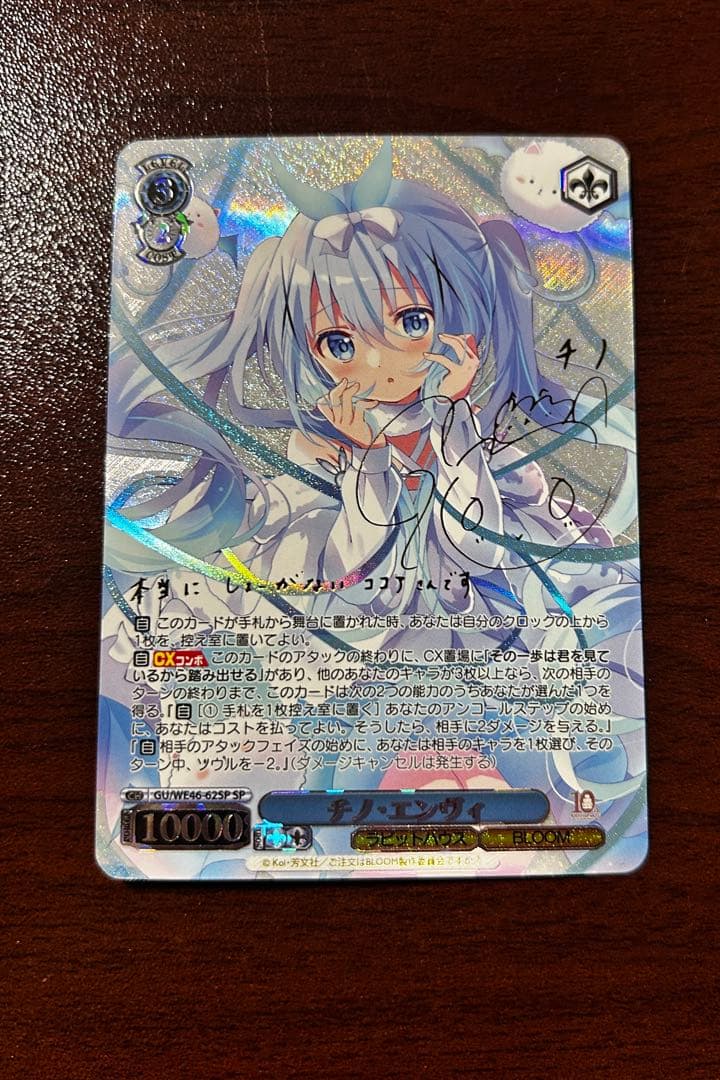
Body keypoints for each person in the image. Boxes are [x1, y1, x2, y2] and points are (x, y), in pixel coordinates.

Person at [103, 138, 644, 818]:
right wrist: (370, 459)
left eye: (412, 323)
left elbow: (482, 547)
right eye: (340, 343)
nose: (381, 365)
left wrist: (452, 425)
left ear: (460, 323)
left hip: (493, 656)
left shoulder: (478, 437)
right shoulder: (315, 456)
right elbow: (349, 593)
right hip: (364, 669)